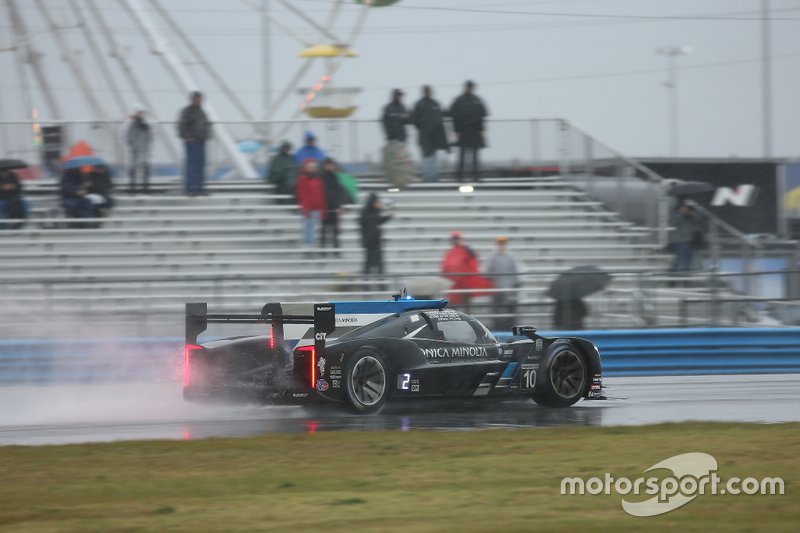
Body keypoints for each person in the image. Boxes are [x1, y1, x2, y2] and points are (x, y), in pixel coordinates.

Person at [441, 231, 494, 312]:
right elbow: (445, 268)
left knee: (465, 308)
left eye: (457, 239)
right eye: (454, 239)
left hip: (465, 286)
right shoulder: (451, 253)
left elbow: (473, 268)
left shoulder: (467, 251)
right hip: (455, 287)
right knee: (454, 309)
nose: (455, 241)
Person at [449, 80, 488, 182]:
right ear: (465, 87)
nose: (470, 89)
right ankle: (459, 177)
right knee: (462, 156)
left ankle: (475, 176)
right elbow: (454, 116)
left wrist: (482, 129)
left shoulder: (477, 100)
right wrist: (456, 130)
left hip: (475, 131)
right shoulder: (459, 100)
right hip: (463, 131)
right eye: (468, 87)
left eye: (471, 87)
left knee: (475, 157)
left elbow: (482, 116)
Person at [411, 85, 449, 182]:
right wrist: (423, 128)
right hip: (425, 135)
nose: (428, 93)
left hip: (435, 135)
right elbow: (414, 119)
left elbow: (442, 115)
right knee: (426, 157)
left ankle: (433, 176)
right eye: (427, 91)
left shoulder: (435, 104)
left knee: (434, 157)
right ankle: (427, 176)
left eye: (429, 91)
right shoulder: (419, 104)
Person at [177, 91, 211, 196]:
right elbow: (182, 125)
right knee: (192, 165)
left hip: (201, 142)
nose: (200, 101)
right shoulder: (187, 111)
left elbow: (206, 125)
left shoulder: (202, 112)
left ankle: (200, 188)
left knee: (200, 165)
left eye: (201, 99)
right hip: (192, 143)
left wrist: (206, 136)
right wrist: (188, 137)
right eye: (199, 99)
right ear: (194, 99)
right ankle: (190, 188)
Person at [381, 89, 415, 188]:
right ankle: (393, 179)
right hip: (392, 139)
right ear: (394, 96)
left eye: (401, 96)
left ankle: (402, 180)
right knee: (393, 161)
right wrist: (389, 133)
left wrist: (408, 116)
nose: (400, 97)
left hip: (401, 139)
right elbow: (385, 122)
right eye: (398, 95)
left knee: (402, 161)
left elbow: (409, 120)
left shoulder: (402, 107)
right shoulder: (388, 108)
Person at [487, 236, 520, 329]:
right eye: (500, 243)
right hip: (497, 289)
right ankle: (497, 327)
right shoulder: (492, 258)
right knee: (496, 311)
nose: (501, 246)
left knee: (510, 310)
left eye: (503, 243)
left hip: (509, 289)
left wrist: (514, 288)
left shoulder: (511, 257)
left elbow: (515, 273)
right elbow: (488, 273)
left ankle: (511, 328)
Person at [360, 192, 393, 275]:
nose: (378, 203)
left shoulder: (375, 211)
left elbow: (378, 221)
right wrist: (379, 210)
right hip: (369, 241)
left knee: (379, 263)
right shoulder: (365, 212)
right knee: (368, 262)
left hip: (376, 240)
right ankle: (366, 283)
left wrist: (388, 217)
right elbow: (372, 221)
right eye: (376, 202)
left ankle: (381, 282)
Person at [295, 159, 326, 248]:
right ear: (306, 167)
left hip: (316, 207)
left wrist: (321, 206)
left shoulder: (318, 179)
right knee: (307, 225)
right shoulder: (302, 179)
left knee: (313, 225)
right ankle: (307, 243)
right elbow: (302, 194)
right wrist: (305, 206)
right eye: (310, 167)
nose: (312, 168)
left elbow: (321, 193)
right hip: (307, 207)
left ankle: (311, 242)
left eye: (314, 167)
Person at [320, 158, 347, 252]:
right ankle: (322, 249)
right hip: (325, 207)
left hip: (334, 208)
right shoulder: (322, 177)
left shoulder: (335, 177)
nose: (330, 167)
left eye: (331, 165)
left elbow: (338, 193)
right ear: (325, 166)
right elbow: (324, 192)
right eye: (328, 165)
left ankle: (336, 250)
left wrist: (339, 206)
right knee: (324, 230)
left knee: (335, 230)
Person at [127, 104, 153, 194]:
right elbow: (129, 137)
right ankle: (132, 187)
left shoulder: (145, 124)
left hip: (144, 149)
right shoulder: (132, 124)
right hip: (135, 150)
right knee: (133, 168)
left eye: (142, 113)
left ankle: (145, 187)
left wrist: (147, 146)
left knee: (145, 167)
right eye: (139, 113)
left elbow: (150, 136)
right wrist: (133, 145)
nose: (141, 115)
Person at [671, 200, 703, 272]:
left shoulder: (692, 212)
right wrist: (682, 213)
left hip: (691, 240)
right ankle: (673, 279)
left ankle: (686, 280)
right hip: (680, 241)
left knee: (689, 262)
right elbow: (674, 222)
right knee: (678, 261)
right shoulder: (675, 212)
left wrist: (690, 213)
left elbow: (699, 219)